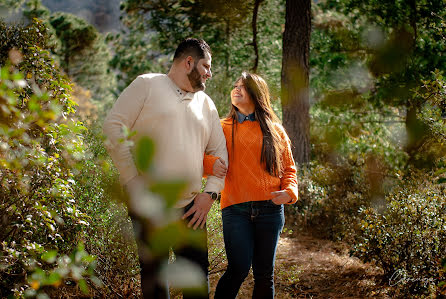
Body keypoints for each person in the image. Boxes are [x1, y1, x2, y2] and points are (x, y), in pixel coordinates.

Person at [103, 38, 228, 299]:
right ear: (189, 62)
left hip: (192, 208)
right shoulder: (147, 85)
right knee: (154, 279)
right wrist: (131, 179)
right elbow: (113, 128)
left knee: (196, 280)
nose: (209, 73)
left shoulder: (206, 104)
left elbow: (219, 154)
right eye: (206, 66)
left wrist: (210, 194)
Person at [204, 72, 298, 299]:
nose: (236, 89)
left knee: (265, 275)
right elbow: (200, 158)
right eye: (235, 85)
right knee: (238, 269)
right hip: (235, 210)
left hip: (271, 210)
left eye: (243, 87)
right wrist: (211, 163)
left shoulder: (276, 131)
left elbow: (289, 170)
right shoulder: (221, 127)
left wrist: (289, 193)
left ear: (256, 94)